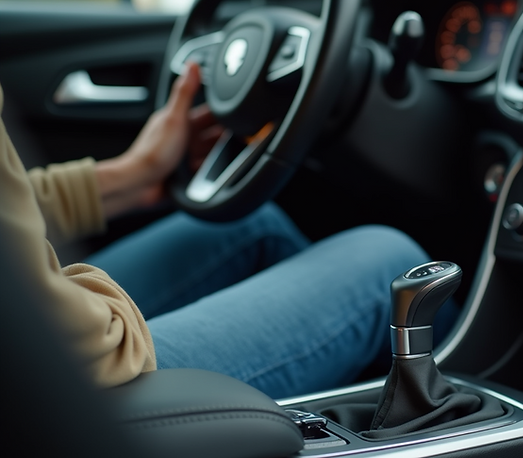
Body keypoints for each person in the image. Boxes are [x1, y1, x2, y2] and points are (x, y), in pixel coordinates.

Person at [0, 64, 446, 399]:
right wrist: (98, 322)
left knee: (252, 224)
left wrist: (133, 175)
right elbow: (74, 336)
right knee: (388, 259)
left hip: (31, 325)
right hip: (53, 383)